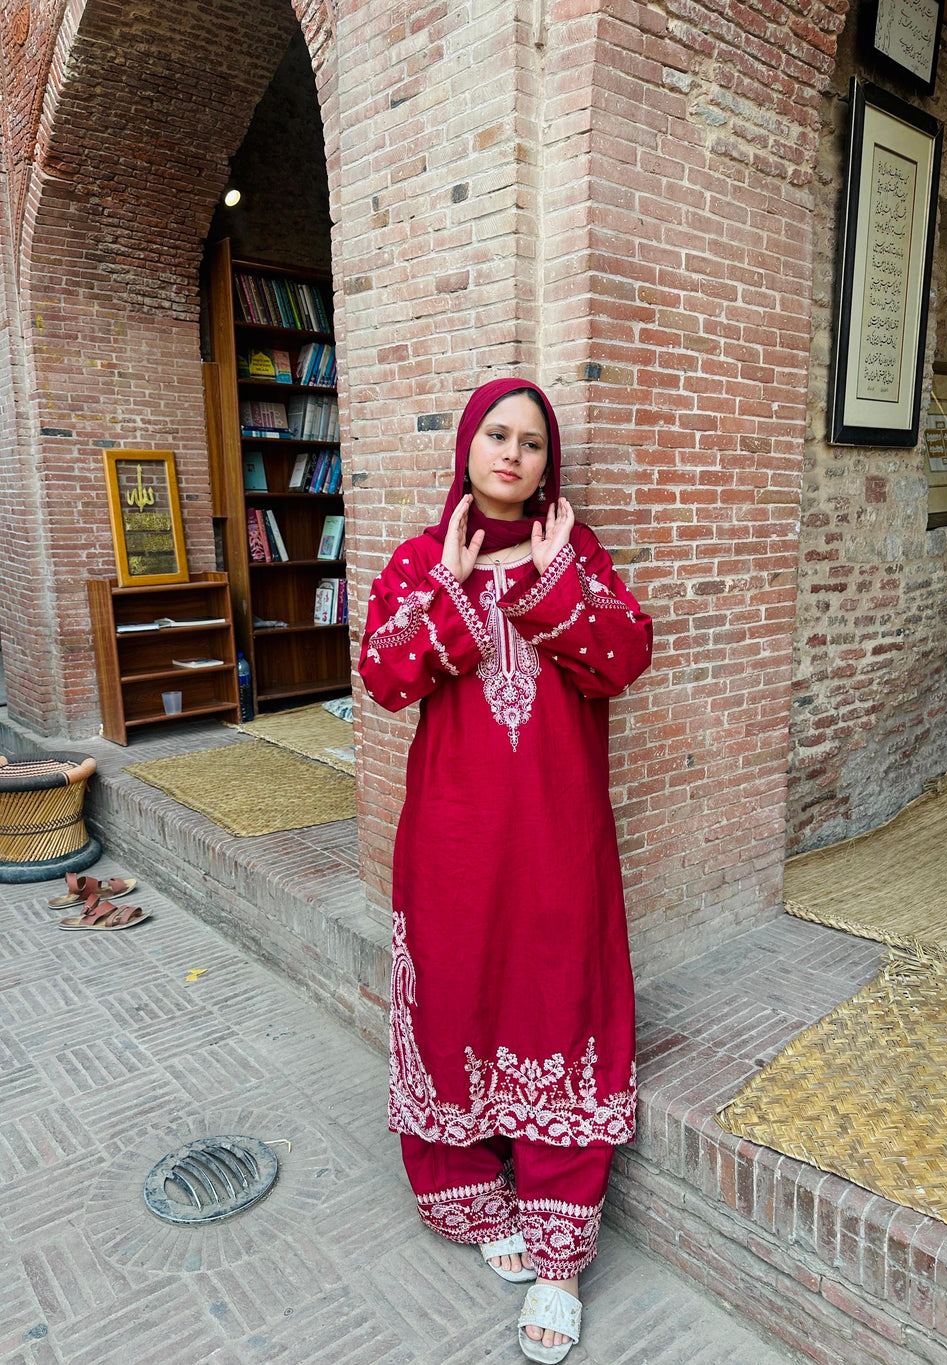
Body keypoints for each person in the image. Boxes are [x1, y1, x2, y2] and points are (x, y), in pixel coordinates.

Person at [358, 378, 653, 1362]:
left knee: (558, 1006)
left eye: (531, 442)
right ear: (469, 447)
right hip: (452, 841)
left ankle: (560, 1257)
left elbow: (624, 658)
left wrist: (555, 576)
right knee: (456, 999)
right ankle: (472, 1195)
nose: (513, 454)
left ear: (544, 463)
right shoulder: (417, 559)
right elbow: (385, 677)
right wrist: (448, 585)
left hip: (558, 837)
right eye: (497, 434)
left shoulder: (577, 552)